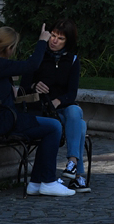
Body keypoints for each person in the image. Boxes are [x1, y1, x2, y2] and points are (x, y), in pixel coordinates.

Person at [0, 25, 74, 197]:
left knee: (47, 124)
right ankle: (47, 181)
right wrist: (42, 42)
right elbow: (32, 65)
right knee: (54, 126)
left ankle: (37, 183)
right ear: (8, 48)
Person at [21, 18, 89, 189]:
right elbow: (22, 88)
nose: (54, 40)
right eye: (52, 35)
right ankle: (76, 172)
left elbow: (72, 93)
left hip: (63, 109)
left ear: (68, 41)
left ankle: (72, 163)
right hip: (43, 110)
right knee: (80, 124)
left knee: (74, 111)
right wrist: (34, 86)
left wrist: (58, 101)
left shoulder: (72, 61)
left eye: (60, 38)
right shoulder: (38, 57)